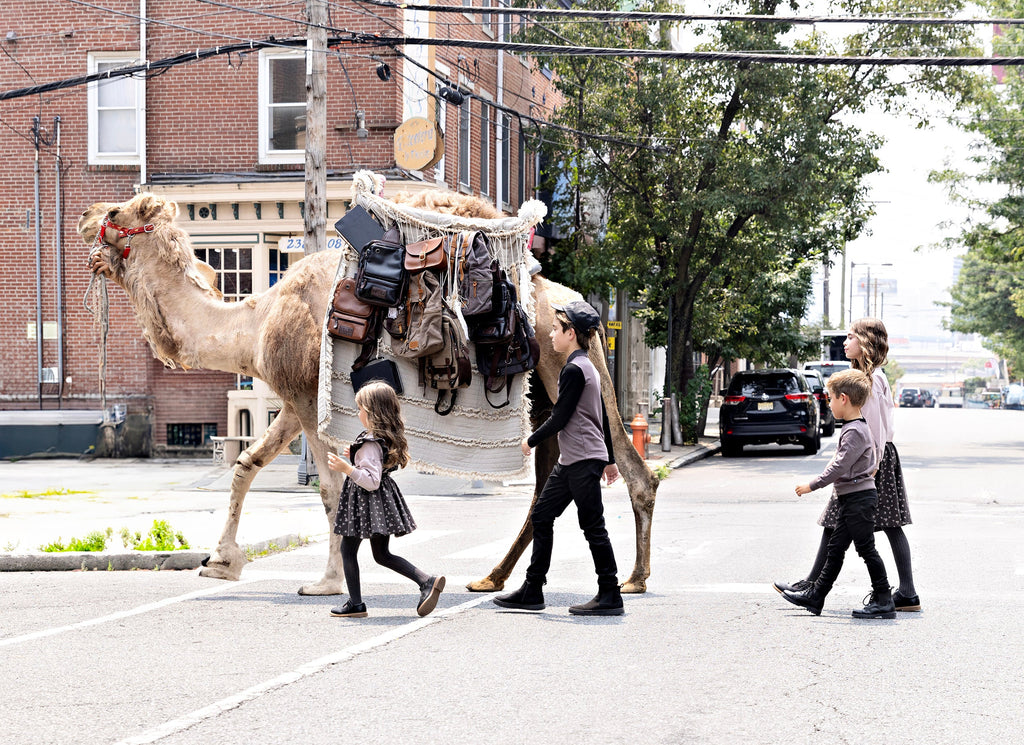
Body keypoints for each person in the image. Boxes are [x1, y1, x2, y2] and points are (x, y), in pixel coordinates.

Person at [774, 317, 920, 612]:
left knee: (886, 523)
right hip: (870, 456)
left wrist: (874, 464)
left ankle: (904, 593)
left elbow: (876, 426)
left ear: (865, 342)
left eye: (851, 336)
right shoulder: (862, 375)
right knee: (842, 519)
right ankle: (815, 583)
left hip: (873, 458)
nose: (845, 341)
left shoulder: (873, 378)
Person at [493, 300, 624, 616]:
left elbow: (561, 416)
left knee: (593, 526)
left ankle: (610, 593)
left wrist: (531, 440)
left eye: (556, 329)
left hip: (581, 460)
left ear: (572, 334)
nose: (551, 335)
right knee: (541, 516)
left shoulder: (575, 370)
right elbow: (603, 415)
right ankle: (532, 589)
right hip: (575, 460)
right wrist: (609, 459)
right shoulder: (586, 366)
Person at [781, 369, 896, 619]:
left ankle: (884, 599)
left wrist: (813, 485)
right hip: (853, 499)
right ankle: (816, 596)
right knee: (835, 549)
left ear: (843, 399)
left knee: (866, 549)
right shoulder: (854, 426)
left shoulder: (854, 430)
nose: (829, 404)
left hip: (859, 500)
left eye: (830, 398)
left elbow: (840, 466)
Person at [326, 381, 445, 618]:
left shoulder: (370, 442)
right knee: (382, 555)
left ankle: (356, 604)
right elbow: (376, 463)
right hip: (379, 504)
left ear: (371, 413)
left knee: (347, 550)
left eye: (360, 409)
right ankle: (426, 581)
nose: (358, 413)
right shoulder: (381, 438)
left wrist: (347, 468)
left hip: (364, 504)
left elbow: (371, 480)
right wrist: (357, 455)